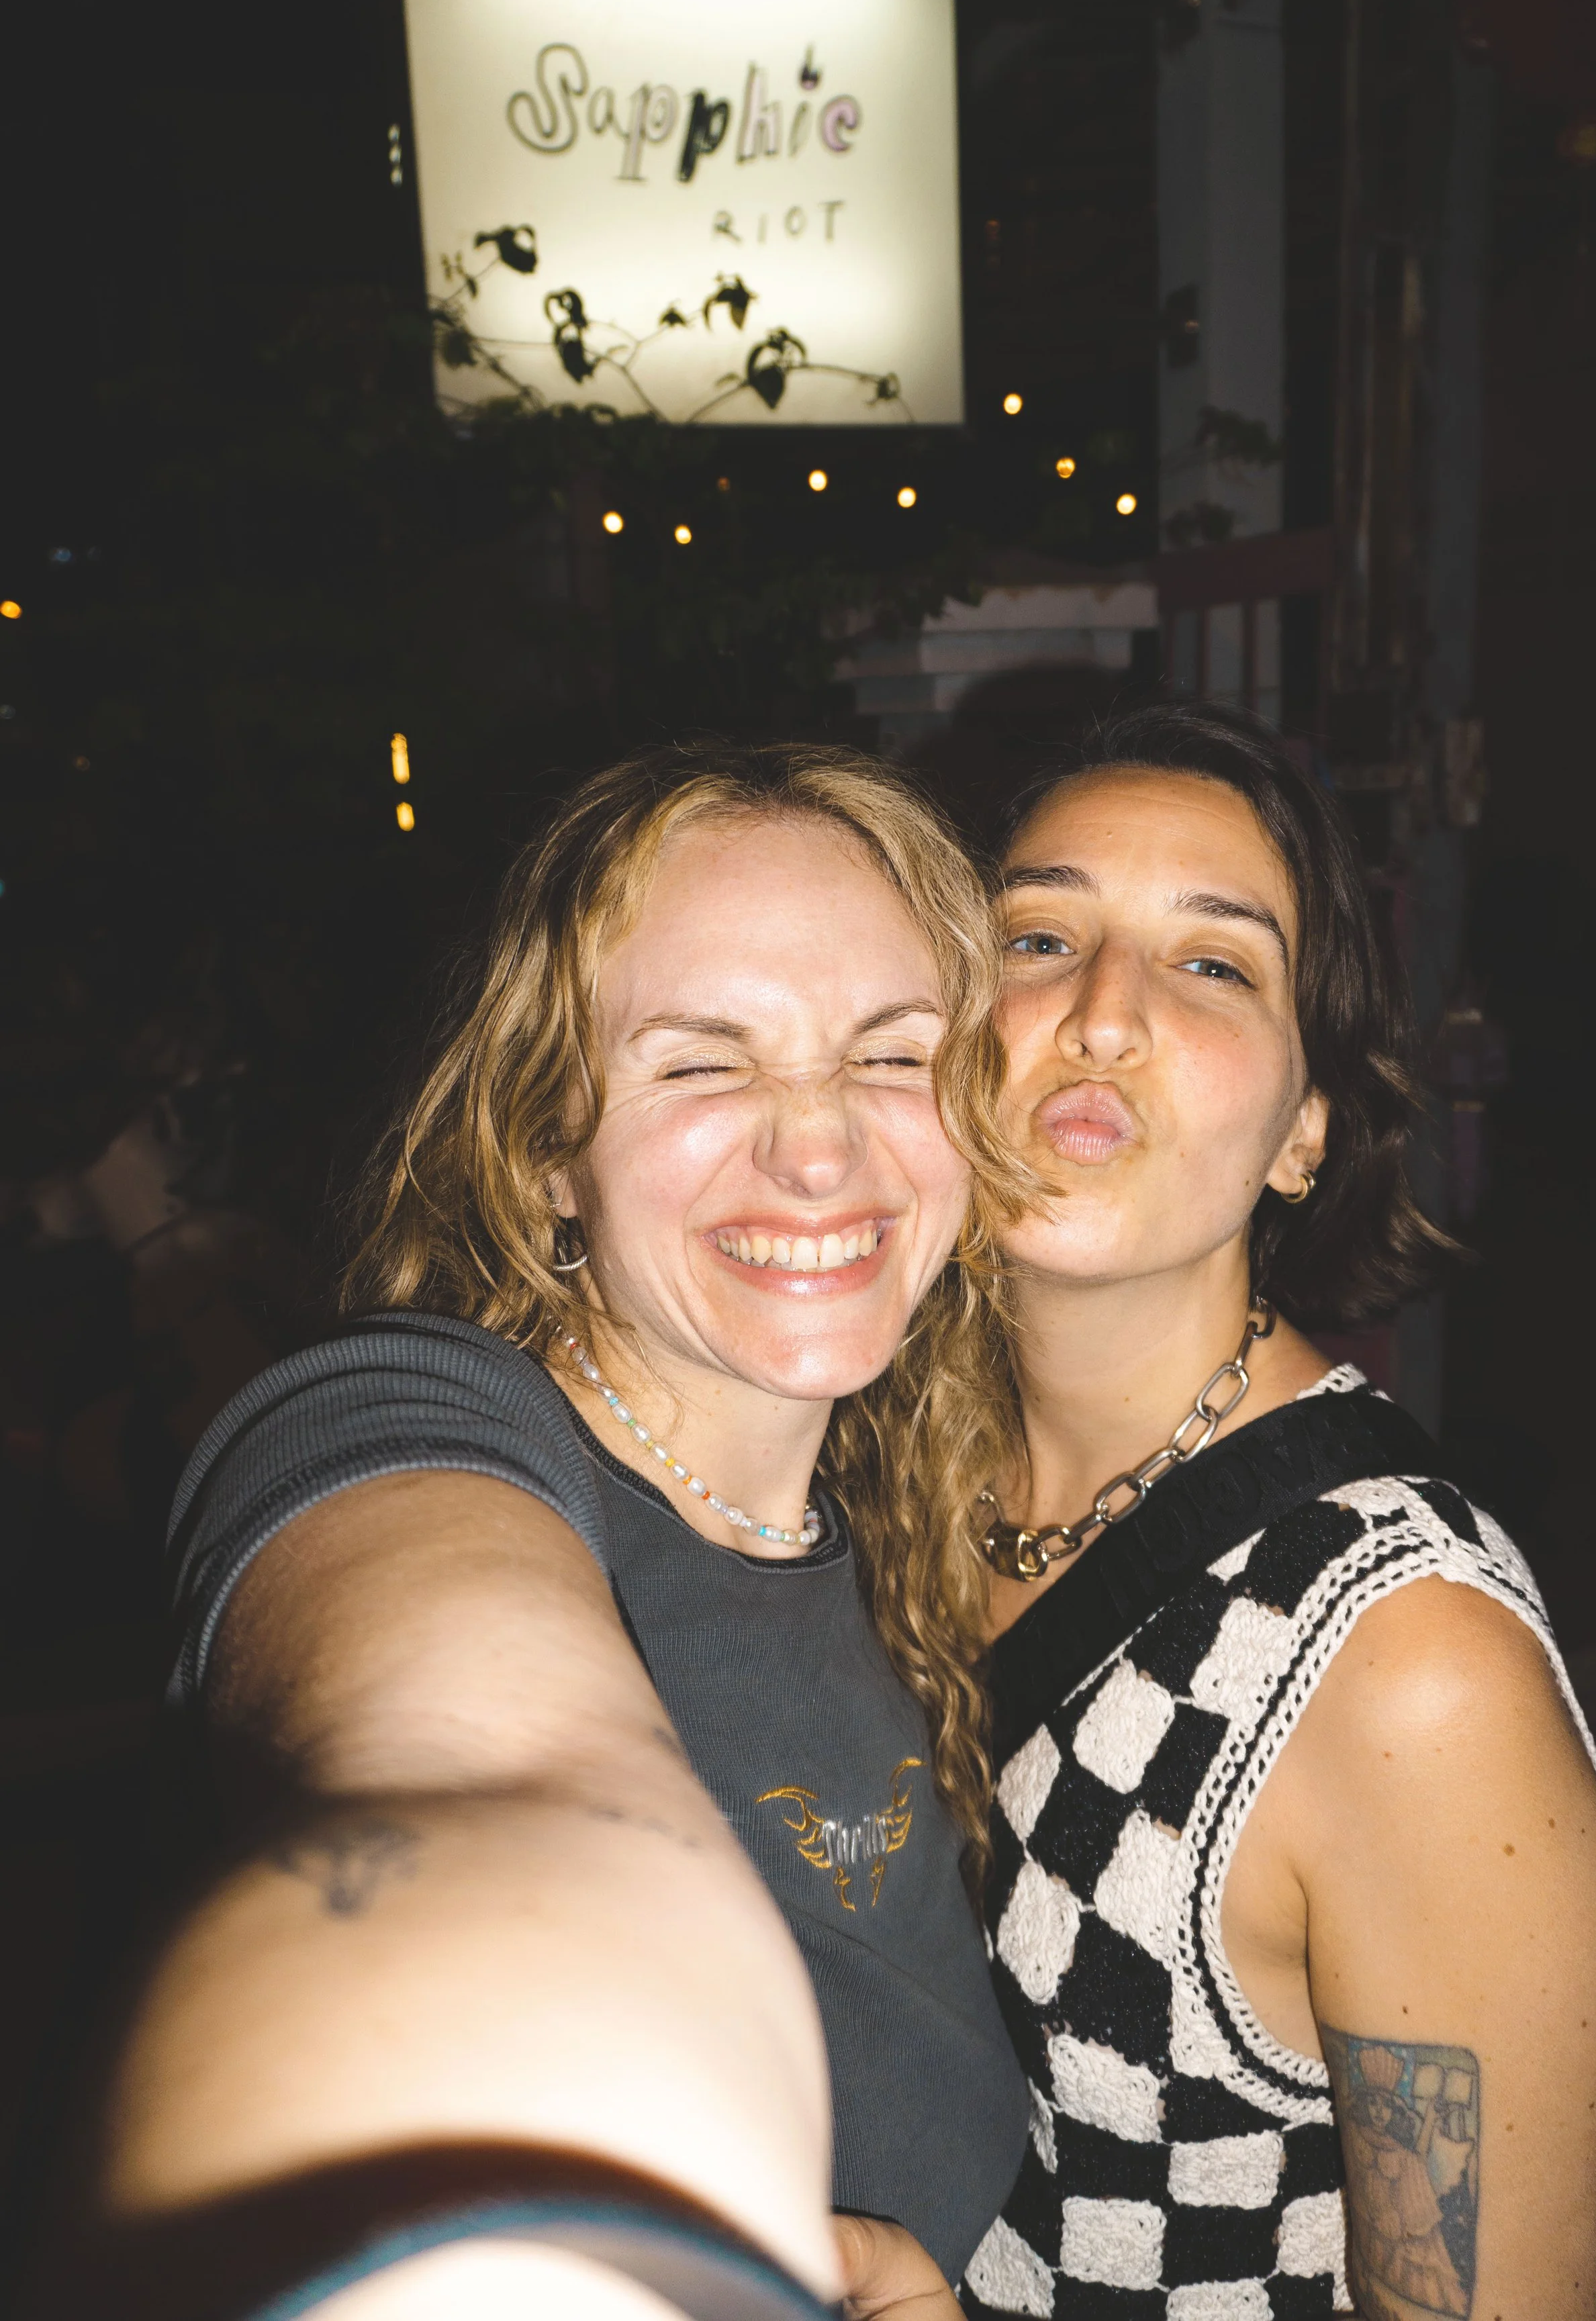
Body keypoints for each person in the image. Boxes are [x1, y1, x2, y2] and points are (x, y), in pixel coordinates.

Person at [42, 745, 1029, 2321]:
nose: (820, 1145)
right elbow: (474, 1796)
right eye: (703, 1063)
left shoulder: (896, 1510)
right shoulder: (411, 1419)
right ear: (544, 1152)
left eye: (890, 1057)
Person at [927, 705, 1596, 2321]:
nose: (1101, 1014)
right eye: (1040, 935)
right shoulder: (894, 1452)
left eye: (1213, 965)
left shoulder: (1400, 1673)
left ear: (1306, 1128)